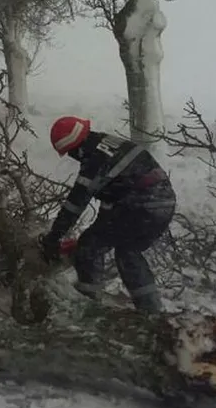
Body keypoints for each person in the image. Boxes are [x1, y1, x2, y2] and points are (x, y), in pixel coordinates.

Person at [38, 116, 177, 312]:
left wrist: (53, 238)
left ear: (75, 148)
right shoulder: (110, 144)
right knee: (128, 251)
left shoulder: (95, 160)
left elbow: (75, 204)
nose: (72, 157)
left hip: (141, 206)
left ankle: (89, 304)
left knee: (90, 246)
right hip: (163, 203)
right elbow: (112, 205)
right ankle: (151, 311)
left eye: (70, 153)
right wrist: (92, 234)